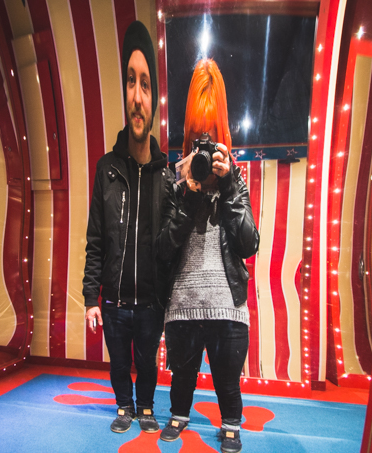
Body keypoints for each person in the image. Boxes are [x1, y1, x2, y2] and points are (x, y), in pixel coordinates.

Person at [156, 59, 259, 453]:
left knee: (227, 380)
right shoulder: (175, 182)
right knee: (181, 375)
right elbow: (163, 249)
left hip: (227, 305)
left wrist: (228, 184)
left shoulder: (236, 181)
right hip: (183, 304)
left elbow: (249, 244)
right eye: (197, 138)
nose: (203, 147)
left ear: (223, 140)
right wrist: (187, 195)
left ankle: (231, 423)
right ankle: (179, 414)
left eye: (210, 138)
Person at [82, 20, 174, 435]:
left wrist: (169, 302)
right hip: (115, 302)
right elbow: (95, 239)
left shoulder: (166, 174)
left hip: (151, 302)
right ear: (124, 91)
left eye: (146, 86)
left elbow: (171, 246)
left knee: (147, 362)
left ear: (155, 99)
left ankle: (147, 406)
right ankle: (124, 405)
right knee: (119, 362)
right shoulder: (106, 168)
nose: (138, 97)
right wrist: (91, 296)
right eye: (131, 82)